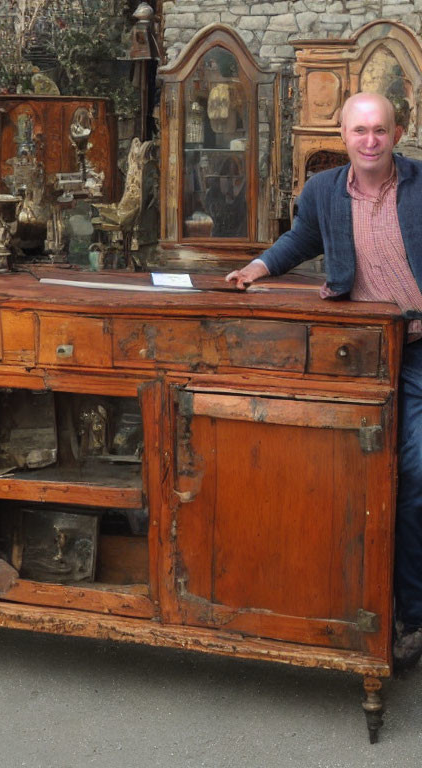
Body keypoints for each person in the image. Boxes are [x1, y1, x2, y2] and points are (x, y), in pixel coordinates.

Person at [226, 92, 422, 669]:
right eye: (359, 130)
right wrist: (255, 270)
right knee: (350, 476)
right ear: (342, 135)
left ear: (398, 133)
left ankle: (410, 614)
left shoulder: (420, 186)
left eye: (379, 130)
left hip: (418, 353)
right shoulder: (322, 193)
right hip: (360, 354)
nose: (369, 141)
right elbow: (298, 241)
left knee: (410, 474)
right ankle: (354, 600)